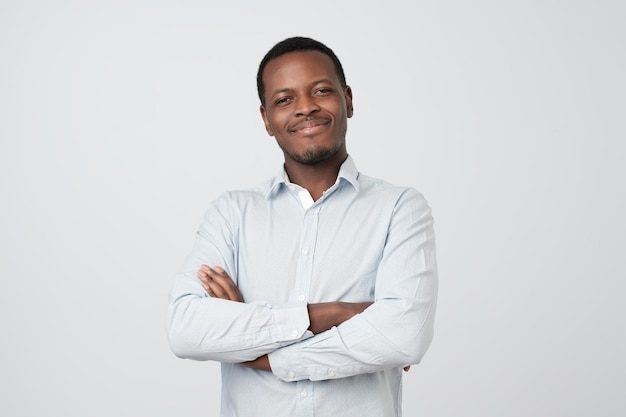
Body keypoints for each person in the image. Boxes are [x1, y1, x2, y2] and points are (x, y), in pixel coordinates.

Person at [167, 36, 438, 417]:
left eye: (321, 91)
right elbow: (186, 329)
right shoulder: (232, 213)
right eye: (284, 99)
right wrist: (332, 315)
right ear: (266, 119)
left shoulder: (399, 208)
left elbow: (402, 336)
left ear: (349, 100)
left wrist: (257, 348)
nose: (306, 108)